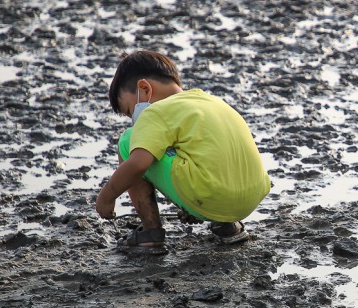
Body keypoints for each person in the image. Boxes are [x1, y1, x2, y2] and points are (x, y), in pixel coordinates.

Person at [95, 50, 271, 255]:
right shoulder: (211, 101)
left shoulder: (156, 112)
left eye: (129, 110)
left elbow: (139, 164)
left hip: (211, 194)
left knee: (129, 141)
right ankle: (227, 226)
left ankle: (150, 233)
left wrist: (107, 196)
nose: (133, 118)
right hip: (250, 198)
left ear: (144, 89)